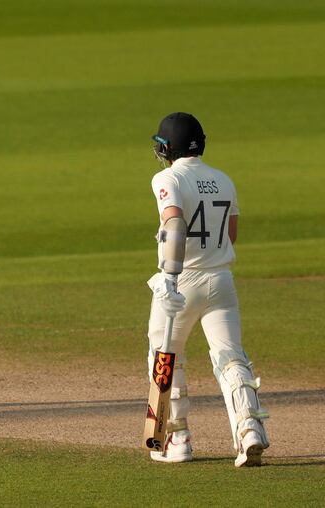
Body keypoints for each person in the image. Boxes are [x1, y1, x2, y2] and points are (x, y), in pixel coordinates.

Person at [146, 112, 269, 467]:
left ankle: (177, 437)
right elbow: (231, 235)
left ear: (167, 147)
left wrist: (170, 276)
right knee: (230, 357)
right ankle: (250, 431)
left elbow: (173, 222)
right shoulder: (224, 180)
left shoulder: (167, 178)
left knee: (165, 356)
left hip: (183, 280)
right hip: (222, 281)